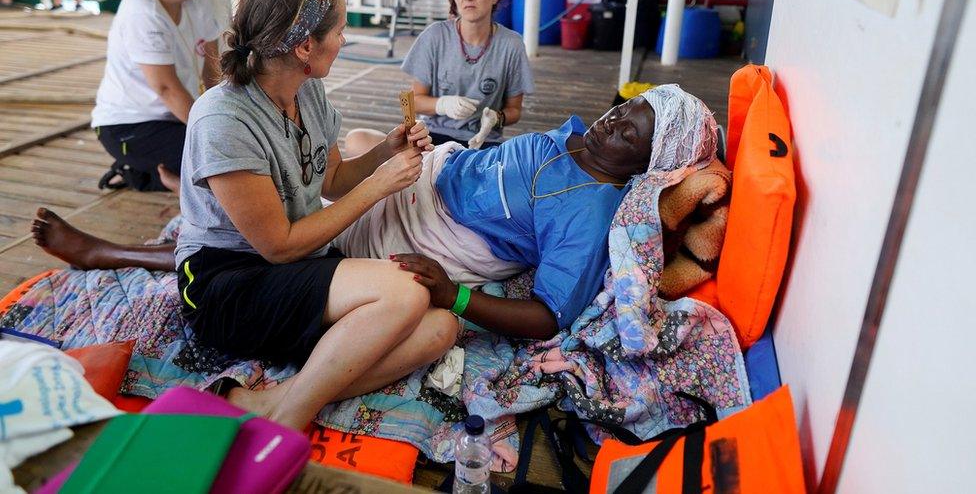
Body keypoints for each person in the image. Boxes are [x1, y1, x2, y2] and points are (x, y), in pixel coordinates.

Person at [35, 86, 698, 344]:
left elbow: (548, 317)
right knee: (346, 157)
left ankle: (117, 254)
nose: (610, 122)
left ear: (643, 164)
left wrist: (454, 292)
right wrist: (410, 152)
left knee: (287, 244)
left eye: (628, 132)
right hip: (436, 175)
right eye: (622, 108)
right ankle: (211, 241)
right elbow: (478, 158)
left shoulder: (590, 213)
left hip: (437, 234)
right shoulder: (576, 140)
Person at [178, 0, 455, 430]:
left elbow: (330, 181)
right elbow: (279, 245)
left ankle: (271, 401)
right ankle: (293, 418)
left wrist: (387, 152)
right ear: (306, 45)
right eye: (341, 30)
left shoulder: (306, 90)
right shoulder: (222, 119)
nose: (344, 40)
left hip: (296, 267)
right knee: (406, 292)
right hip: (227, 284)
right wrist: (377, 187)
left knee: (439, 327)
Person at [345, 0, 534, 154]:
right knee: (357, 139)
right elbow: (415, 100)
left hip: (481, 145)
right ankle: (436, 176)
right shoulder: (435, 36)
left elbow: (515, 110)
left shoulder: (511, 44)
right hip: (432, 141)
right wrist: (442, 104)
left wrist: (497, 119)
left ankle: (432, 179)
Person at [91, 0, 220, 193]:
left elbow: (212, 68)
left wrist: (227, 117)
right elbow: (166, 88)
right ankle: (141, 173)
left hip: (177, 116)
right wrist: (215, 131)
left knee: (236, 147)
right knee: (219, 161)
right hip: (131, 125)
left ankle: (160, 172)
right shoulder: (141, 13)